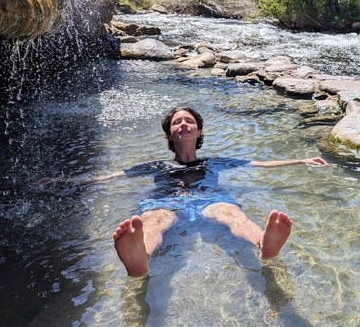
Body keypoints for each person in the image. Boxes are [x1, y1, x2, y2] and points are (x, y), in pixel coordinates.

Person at [44, 106, 327, 278]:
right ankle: (139, 258)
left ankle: (264, 243)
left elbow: (260, 163)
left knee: (232, 214)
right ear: (169, 134)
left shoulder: (215, 162)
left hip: (210, 199)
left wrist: (302, 160)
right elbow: (107, 177)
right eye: (176, 122)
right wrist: (60, 181)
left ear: (199, 132)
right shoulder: (156, 165)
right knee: (154, 220)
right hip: (166, 200)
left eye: (189, 121)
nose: (183, 124)